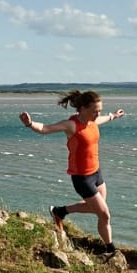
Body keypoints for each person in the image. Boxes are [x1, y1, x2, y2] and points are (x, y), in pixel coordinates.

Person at [19, 90, 125, 255]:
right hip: (82, 178)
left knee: (95, 209)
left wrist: (113, 116)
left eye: (100, 111)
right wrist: (30, 123)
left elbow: (100, 120)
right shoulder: (71, 125)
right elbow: (46, 128)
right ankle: (110, 250)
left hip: (96, 172)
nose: (97, 114)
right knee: (104, 214)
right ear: (82, 109)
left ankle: (59, 211)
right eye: (94, 111)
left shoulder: (92, 121)